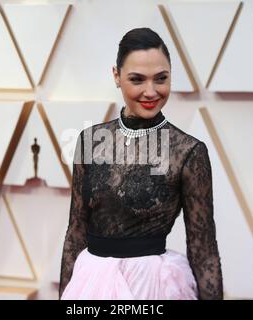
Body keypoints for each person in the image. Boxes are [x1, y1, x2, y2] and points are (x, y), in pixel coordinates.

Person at [59, 27, 223, 300]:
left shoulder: (188, 152)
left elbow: (203, 247)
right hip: (91, 286)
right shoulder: (90, 141)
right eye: (137, 79)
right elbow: (76, 231)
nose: (151, 92)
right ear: (116, 76)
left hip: (153, 287)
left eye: (161, 79)